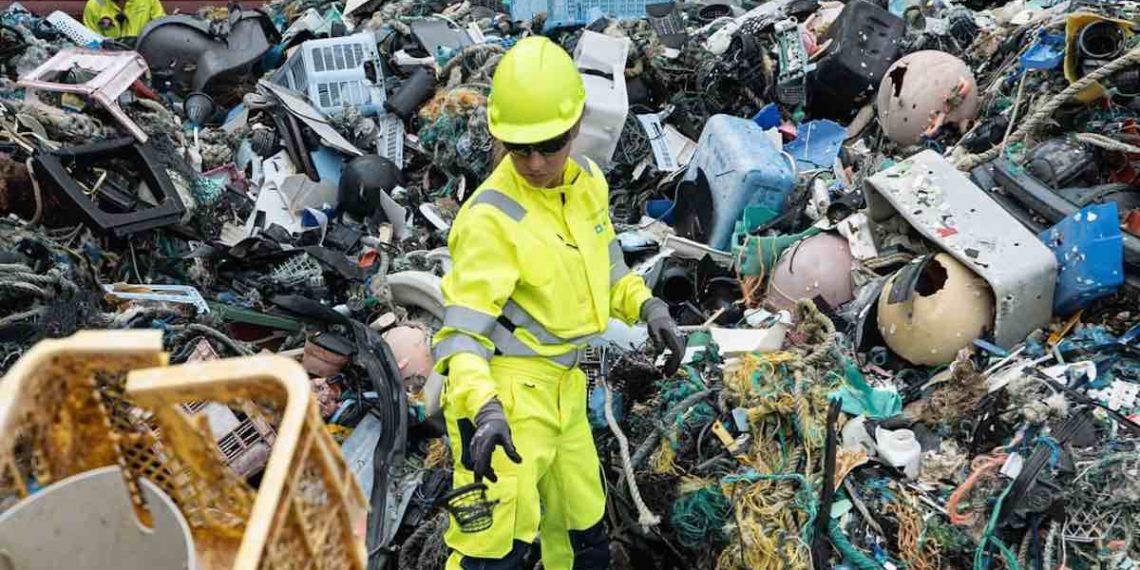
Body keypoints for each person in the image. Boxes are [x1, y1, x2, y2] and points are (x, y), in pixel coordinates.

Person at [431, 36, 685, 570]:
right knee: (493, 547)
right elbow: (460, 336)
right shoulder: (489, 218)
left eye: (549, 144)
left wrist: (649, 308)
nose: (535, 161)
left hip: (566, 389)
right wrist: (484, 409)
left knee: (581, 525)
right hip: (506, 401)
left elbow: (609, 270)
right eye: (519, 148)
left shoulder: (587, 183)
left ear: (575, 128)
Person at [83, 0, 165, 39]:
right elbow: (89, 41)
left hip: (142, 57)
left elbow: (163, 29)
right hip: (109, 61)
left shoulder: (148, 1)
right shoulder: (94, 5)